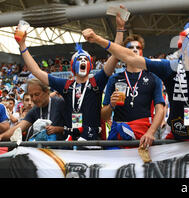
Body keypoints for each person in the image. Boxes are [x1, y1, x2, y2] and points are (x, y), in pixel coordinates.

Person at [16, 12, 125, 141]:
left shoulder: (96, 82)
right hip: (71, 142)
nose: (83, 61)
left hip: (94, 141)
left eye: (86, 59)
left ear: (90, 65)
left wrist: (120, 29)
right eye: (80, 59)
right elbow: (36, 71)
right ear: (73, 66)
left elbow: (115, 55)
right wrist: (22, 45)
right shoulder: (66, 86)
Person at [102, 34, 166, 148]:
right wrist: (111, 105)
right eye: (130, 48)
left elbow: (160, 109)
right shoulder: (114, 78)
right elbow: (103, 116)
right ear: (124, 52)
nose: (135, 50)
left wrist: (150, 133)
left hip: (143, 135)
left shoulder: (153, 77)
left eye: (138, 48)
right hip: (119, 137)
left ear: (142, 52)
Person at [0, 78, 67, 141]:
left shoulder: (60, 103)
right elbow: (20, 127)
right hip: (43, 150)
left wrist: (59, 129)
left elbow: (74, 128)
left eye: (37, 94)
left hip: (62, 150)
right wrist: (2, 136)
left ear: (46, 92)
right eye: (31, 96)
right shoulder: (35, 110)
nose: (34, 99)